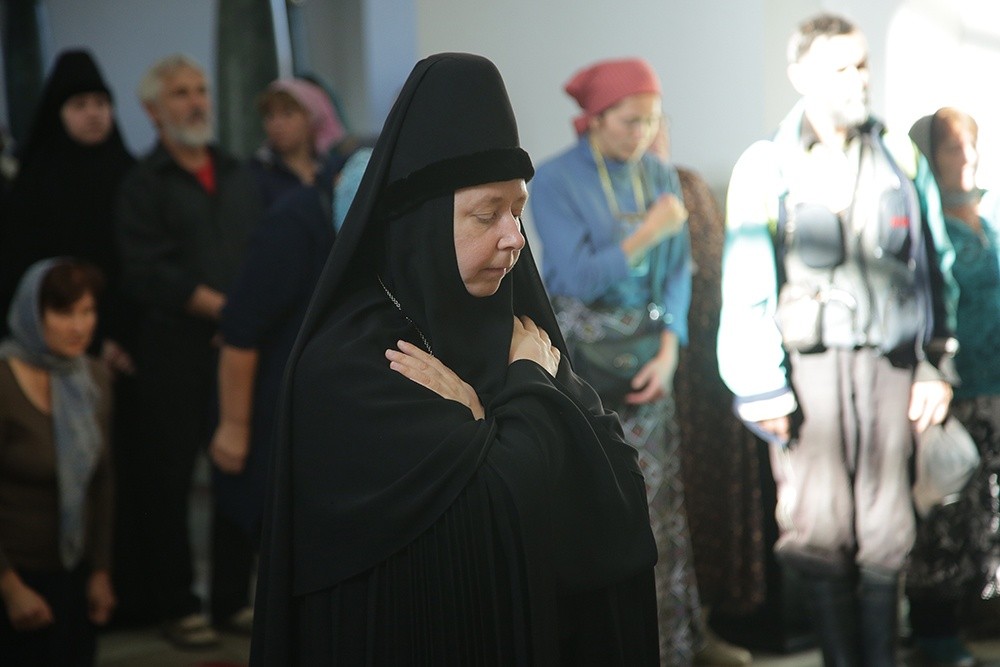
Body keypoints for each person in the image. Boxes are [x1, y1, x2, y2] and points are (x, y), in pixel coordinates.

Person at [251, 52, 659, 665]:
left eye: (517, 209)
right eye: (486, 214)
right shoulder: (352, 365)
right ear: (420, 222)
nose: (514, 237)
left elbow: (619, 486)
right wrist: (526, 390)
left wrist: (484, 427)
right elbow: (492, 521)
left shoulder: (519, 332)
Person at [717, 13, 957, 665]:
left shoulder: (900, 156)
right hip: (807, 375)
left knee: (888, 524)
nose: (857, 79)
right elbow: (746, 282)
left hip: (891, 369)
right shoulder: (766, 165)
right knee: (819, 526)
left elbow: (934, 266)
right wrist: (760, 385)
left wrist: (936, 365)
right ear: (801, 75)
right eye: (840, 68)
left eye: (862, 65)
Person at [530, 57, 748, 666]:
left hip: (650, 355)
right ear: (595, 119)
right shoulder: (555, 180)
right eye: (631, 121)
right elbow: (577, 277)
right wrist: (649, 231)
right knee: (595, 502)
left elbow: (678, 274)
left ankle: (675, 642)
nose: (643, 134)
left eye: (652, 121)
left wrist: (671, 349)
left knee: (659, 504)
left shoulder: (659, 173)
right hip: (581, 362)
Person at [115, 54, 262, 648]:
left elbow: (259, 250)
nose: (196, 101)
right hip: (174, 351)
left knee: (236, 471)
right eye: (180, 93)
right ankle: (178, 605)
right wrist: (227, 310)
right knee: (170, 481)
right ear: (153, 110)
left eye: (200, 89)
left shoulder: (236, 171)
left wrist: (246, 317)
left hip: (237, 349)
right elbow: (145, 270)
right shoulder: (142, 184)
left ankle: (231, 599)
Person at [207, 147, 370, 635]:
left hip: (318, 408)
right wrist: (233, 426)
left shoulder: (358, 229)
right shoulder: (293, 225)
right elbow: (240, 330)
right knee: (254, 506)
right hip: (264, 399)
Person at [905, 108, 1000, 666]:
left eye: (972, 145)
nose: (968, 158)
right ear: (929, 158)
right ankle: (935, 636)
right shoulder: (925, 221)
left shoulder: (985, 220)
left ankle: (978, 620)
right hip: (951, 394)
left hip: (995, 393)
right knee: (944, 518)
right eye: (952, 149)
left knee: (986, 515)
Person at [0, 259, 115, 666]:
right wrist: (10, 588)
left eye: (88, 311)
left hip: (71, 571)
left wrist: (100, 572)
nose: (79, 326)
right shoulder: (4, 382)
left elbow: (102, 480)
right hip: (15, 573)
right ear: (34, 315)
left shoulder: (94, 378)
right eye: (64, 313)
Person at [0, 49, 136, 369]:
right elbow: (22, 268)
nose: (93, 114)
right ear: (58, 113)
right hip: (57, 343)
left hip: (133, 342)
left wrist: (123, 336)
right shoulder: (33, 185)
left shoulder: (134, 176)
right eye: (80, 105)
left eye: (101, 103)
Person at [249, 77, 348, 209]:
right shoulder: (255, 173)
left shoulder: (335, 169)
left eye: (288, 114)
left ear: (310, 117)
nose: (277, 124)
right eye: (270, 116)